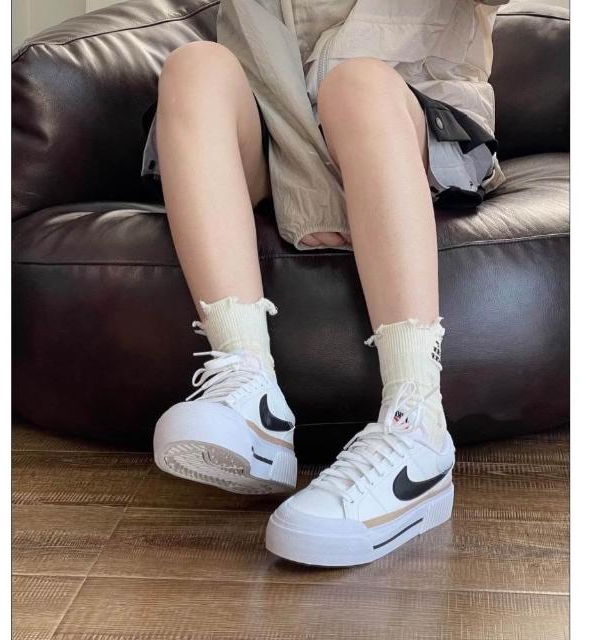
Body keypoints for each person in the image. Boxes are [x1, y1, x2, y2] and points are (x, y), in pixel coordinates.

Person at [141, 0, 509, 567]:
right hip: (279, 128)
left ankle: (417, 426)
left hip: (406, 122)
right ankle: (248, 389)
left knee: (355, 85)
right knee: (194, 67)